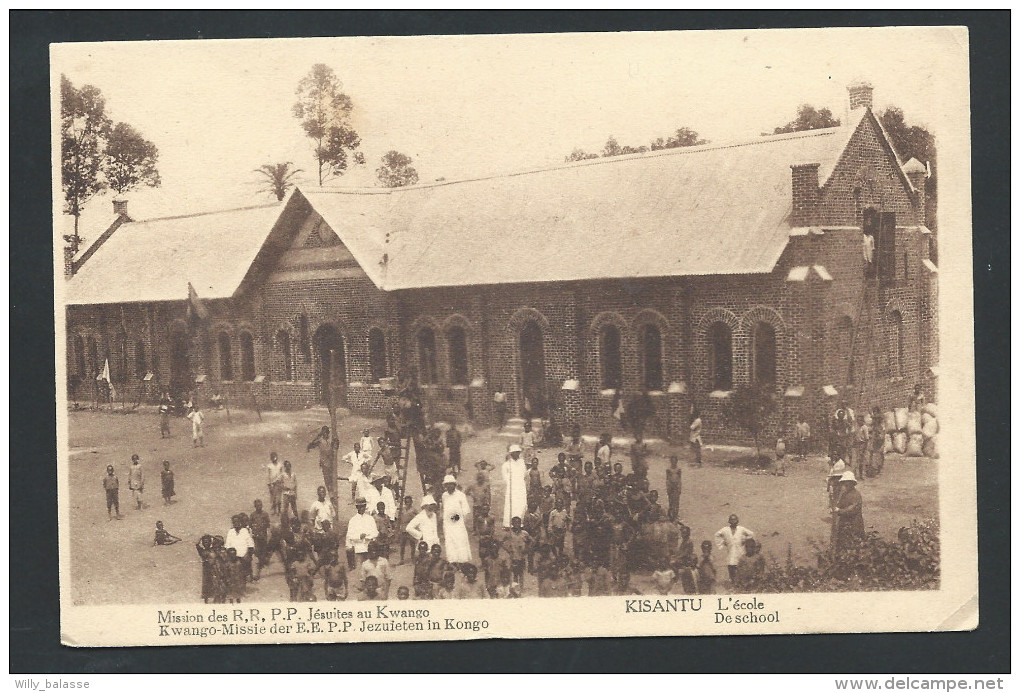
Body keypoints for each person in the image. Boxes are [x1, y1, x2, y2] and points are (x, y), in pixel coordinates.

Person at [440, 475, 473, 563]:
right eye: (447, 484)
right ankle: (452, 561)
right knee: (449, 542)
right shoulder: (444, 495)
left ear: (455, 485)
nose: (449, 486)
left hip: (458, 523)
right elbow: (443, 509)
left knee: (460, 541)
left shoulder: (460, 495)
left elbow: (465, 511)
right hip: (447, 524)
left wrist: (460, 522)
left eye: (451, 484)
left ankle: (462, 561)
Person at [714, 514, 754, 583]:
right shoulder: (725, 530)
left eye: (735, 519)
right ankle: (733, 585)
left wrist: (745, 539)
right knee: (731, 572)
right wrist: (723, 542)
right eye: (731, 519)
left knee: (740, 570)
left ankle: (741, 585)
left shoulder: (741, 529)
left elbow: (751, 534)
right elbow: (717, 535)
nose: (733, 521)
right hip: (731, 555)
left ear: (737, 520)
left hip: (740, 553)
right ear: (729, 521)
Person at [832, 471, 865, 550]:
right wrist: (836, 507)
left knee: (853, 543)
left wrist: (839, 510)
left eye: (846, 484)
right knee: (842, 542)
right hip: (844, 522)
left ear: (851, 483)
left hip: (854, 523)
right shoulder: (844, 494)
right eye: (843, 483)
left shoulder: (856, 495)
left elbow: (852, 510)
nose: (844, 486)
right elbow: (839, 504)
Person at [307, 426, 338, 506]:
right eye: (323, 433)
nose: (325, 434)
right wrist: (318, 435)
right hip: (324, 463)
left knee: (332, 480)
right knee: (327, 481)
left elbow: (336, 446)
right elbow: (310, 445)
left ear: (328, 433)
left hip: (332, 463)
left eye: (326, 433)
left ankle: (333, 495)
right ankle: (331, 496)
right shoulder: (320, 441)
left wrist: (336, 443)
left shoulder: (331, 440)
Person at [345, 497, 379, 570]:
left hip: (369, 549)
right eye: (360, 506)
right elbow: (349, 535)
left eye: (364, 506)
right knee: (360, 570)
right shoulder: (353, 520)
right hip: (359, 549)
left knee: (371, 569)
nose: (362, 508)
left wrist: (368, 536)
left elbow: (375, 532)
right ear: (357, 507)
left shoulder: (370, 519)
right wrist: (359, 537)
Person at [501, 445, 528, 528]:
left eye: (518, 453)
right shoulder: (506, 465)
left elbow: (525, 474)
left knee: (521, 503)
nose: (517, 454)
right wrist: (511, 483)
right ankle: (509, 523)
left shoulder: (522, 462)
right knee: (511, 504)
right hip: (512, 487)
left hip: (521, 486)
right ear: (511, 454)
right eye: (515, 453)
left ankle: (521, 523)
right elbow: (505, 477)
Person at [502, 516, 532, 586]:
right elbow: (501, 542)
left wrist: (527, 548)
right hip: (513, 557)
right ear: (512, 523)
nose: (516, 524)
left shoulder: (524, 533)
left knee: (521, 573)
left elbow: (531, 541)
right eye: (515, 523)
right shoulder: (509, 533)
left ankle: (521, 587)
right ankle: (516, 587)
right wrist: (508, 550)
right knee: (515, 573)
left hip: (522, 556)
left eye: (518, 523)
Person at [225, 514, 255, 582]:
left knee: (243, 574)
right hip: (233, 556)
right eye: (234, 522)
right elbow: (227, 545)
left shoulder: (245, 531)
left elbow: (250, 545)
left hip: (243, 557)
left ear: (240, 522)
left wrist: (247, 555)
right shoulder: (231, 532)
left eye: (237, 522)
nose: (236, 524)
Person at [249, 499, 271, 580]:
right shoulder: (252, 515)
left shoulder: (265, 514)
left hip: (263, 536)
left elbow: (268, 524)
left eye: (260, 505)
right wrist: (253, 533)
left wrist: (268, 534)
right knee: (257, 551)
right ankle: (259, 566)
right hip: (256, 537)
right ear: (255, 507)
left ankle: (262, 563)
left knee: (263, 550)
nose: (259, 507)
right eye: (257, 506)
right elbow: (250, 525)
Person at [396, 495, 417, 564]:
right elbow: (398, 519)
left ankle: (413, 558)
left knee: (412, 544)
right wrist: (398, 529)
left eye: (409, 502)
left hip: (411, 529)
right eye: (406, 502)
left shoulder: (414, 510)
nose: (407, 503)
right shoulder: (402, 510)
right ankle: (401, 559)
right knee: (402, 545)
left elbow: (418, 518)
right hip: (403, 529)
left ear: (411, 502)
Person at [868, 406, 886, 478]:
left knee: (879, 454)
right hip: (874, 440)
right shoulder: (874, 424)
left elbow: (882, 435)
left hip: (879, 440)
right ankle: (874, 468)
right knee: (873, 454)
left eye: (875, 411)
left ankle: (879, 469)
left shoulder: (881, 424)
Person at [665, 455, 682, 521]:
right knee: (671, 500)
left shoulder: (678, 469)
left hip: (676, 485)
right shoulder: (668, 469)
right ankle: (671, 513)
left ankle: (676, 514)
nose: (673, 462)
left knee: (676, 500)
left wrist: (680, 487)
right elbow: (667, 479)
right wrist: (668, 487)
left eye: (675, 461)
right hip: (671, 485)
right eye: (672, 461)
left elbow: (680, 479)